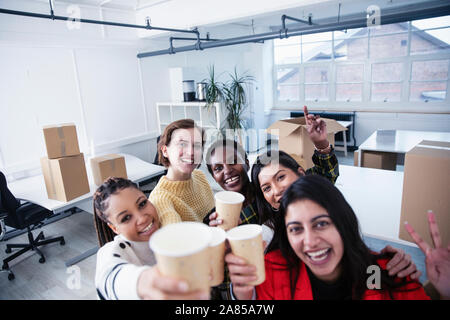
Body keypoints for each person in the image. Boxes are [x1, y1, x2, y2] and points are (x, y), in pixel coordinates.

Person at [231, 175, 448, 300]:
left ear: (343, 222)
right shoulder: (272, 271)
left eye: (321, 224)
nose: (310, 241)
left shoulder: (387, 272)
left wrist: (445, 292)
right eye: (296, 229)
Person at [93, 177, 209, 300]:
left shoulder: (169, 230)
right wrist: (142, 282)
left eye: (142, 204)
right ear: (114, 228)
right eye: (126, 218)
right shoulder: (112, 251)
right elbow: (107, 278)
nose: (142, 218)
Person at [149, 119, 215, 226]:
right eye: (182, 144)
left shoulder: (200, 176)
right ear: (165, 151)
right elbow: (178, 237)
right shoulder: (161, 198)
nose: (191, 152)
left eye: (197, 145)